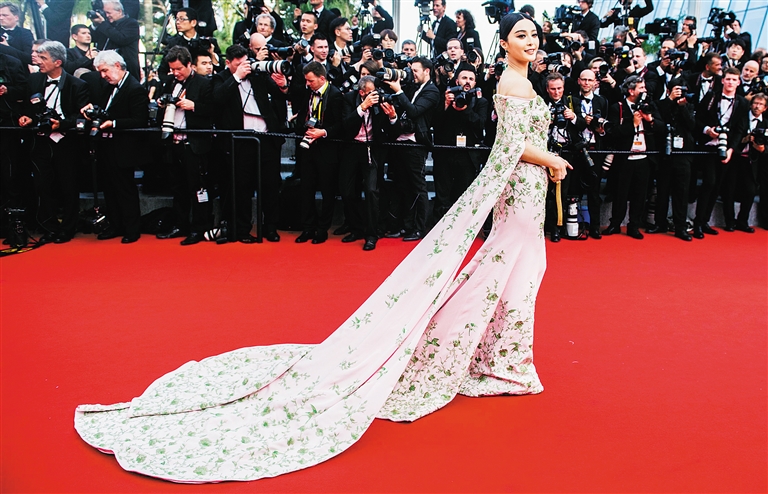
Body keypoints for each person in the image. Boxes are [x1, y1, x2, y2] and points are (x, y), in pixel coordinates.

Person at [74, 12, 570, 483]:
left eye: (534, 35)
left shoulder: (525, 81)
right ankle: (500, 359)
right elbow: (509, 145)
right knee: (511, 272)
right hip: (522, 186)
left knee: (513, 273)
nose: (530, 42)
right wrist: (551, 159)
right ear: (504, 42)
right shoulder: (511, 83)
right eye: (521, 35)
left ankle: (494, 355)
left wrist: (546, 162)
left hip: (529, 188)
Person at [81, 50, 148, 244]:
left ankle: (132, 229)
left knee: (125, 189)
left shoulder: (134, 88)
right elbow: (105, 109)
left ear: (117, 66)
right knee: (109, 189)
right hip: (107, 146)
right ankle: (115, 225)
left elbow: (140, 120)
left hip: (125, 148)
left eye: (104, 71)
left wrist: (114, 123)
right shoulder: (108, 86)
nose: (102, 76)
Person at [89, 0, 140, 81]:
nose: (106, 15)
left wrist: (103, 24)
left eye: (108, 13)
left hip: (125, 67)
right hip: (104, 68)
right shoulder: (105, 25)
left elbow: (121, 39)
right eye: (105, 13)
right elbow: (91, 38)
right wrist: (95, 24)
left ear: (119, 11)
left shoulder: (131, 23)